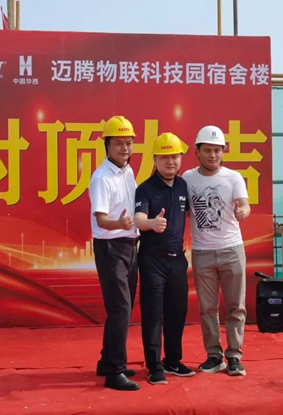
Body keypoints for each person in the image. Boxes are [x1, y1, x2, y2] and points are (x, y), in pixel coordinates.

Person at [181, 125, 251, 376]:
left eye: (217, 150)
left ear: (223, 151)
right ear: (197, 151)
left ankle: (234, 356)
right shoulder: (187, 178)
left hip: (232, 249)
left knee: (236, 306)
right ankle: (213, 355)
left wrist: (243, 211)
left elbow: (245, 204)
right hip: (202, 252)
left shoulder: (233, 177)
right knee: (207, 308)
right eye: (208, 150)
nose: (213, 155)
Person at [134, 132, 196, 385]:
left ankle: (173, 360)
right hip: (153, 260)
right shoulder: (145, 188)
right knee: (152, 313)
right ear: (155, 160)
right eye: (165, 157)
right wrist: (152, 223)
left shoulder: (183, 186)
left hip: (177, 260)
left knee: (177, 311)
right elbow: (138, 219)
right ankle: (154, 366)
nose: (171, 162)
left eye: (175, 157)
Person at [88, 115, 140, 391]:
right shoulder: (101, 177)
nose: (125, 148)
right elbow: (101, 219)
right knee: (120, 308)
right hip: (111, 247)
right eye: (119, 143)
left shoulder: (128, 171)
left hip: (130, 245)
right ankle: (115, 372)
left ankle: (107, 361)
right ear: (106, 145)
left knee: (122, 308)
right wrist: (119, 223)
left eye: (129, 143)